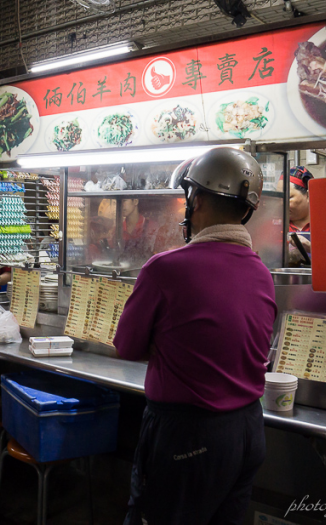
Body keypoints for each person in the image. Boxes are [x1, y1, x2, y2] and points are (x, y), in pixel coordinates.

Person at [114, 148, 277, 525]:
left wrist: (164, 344)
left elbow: (126, 347)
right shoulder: (261, 274)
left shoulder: (166, 268)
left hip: (187, 436)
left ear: (196, 199)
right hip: (249, 432)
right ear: (246, 211)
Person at [277, 166, 312, 266]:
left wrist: (312, 249)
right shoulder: (273, 227)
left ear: (309, 196)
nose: (281, 203)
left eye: (288, 197)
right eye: (279, 197)